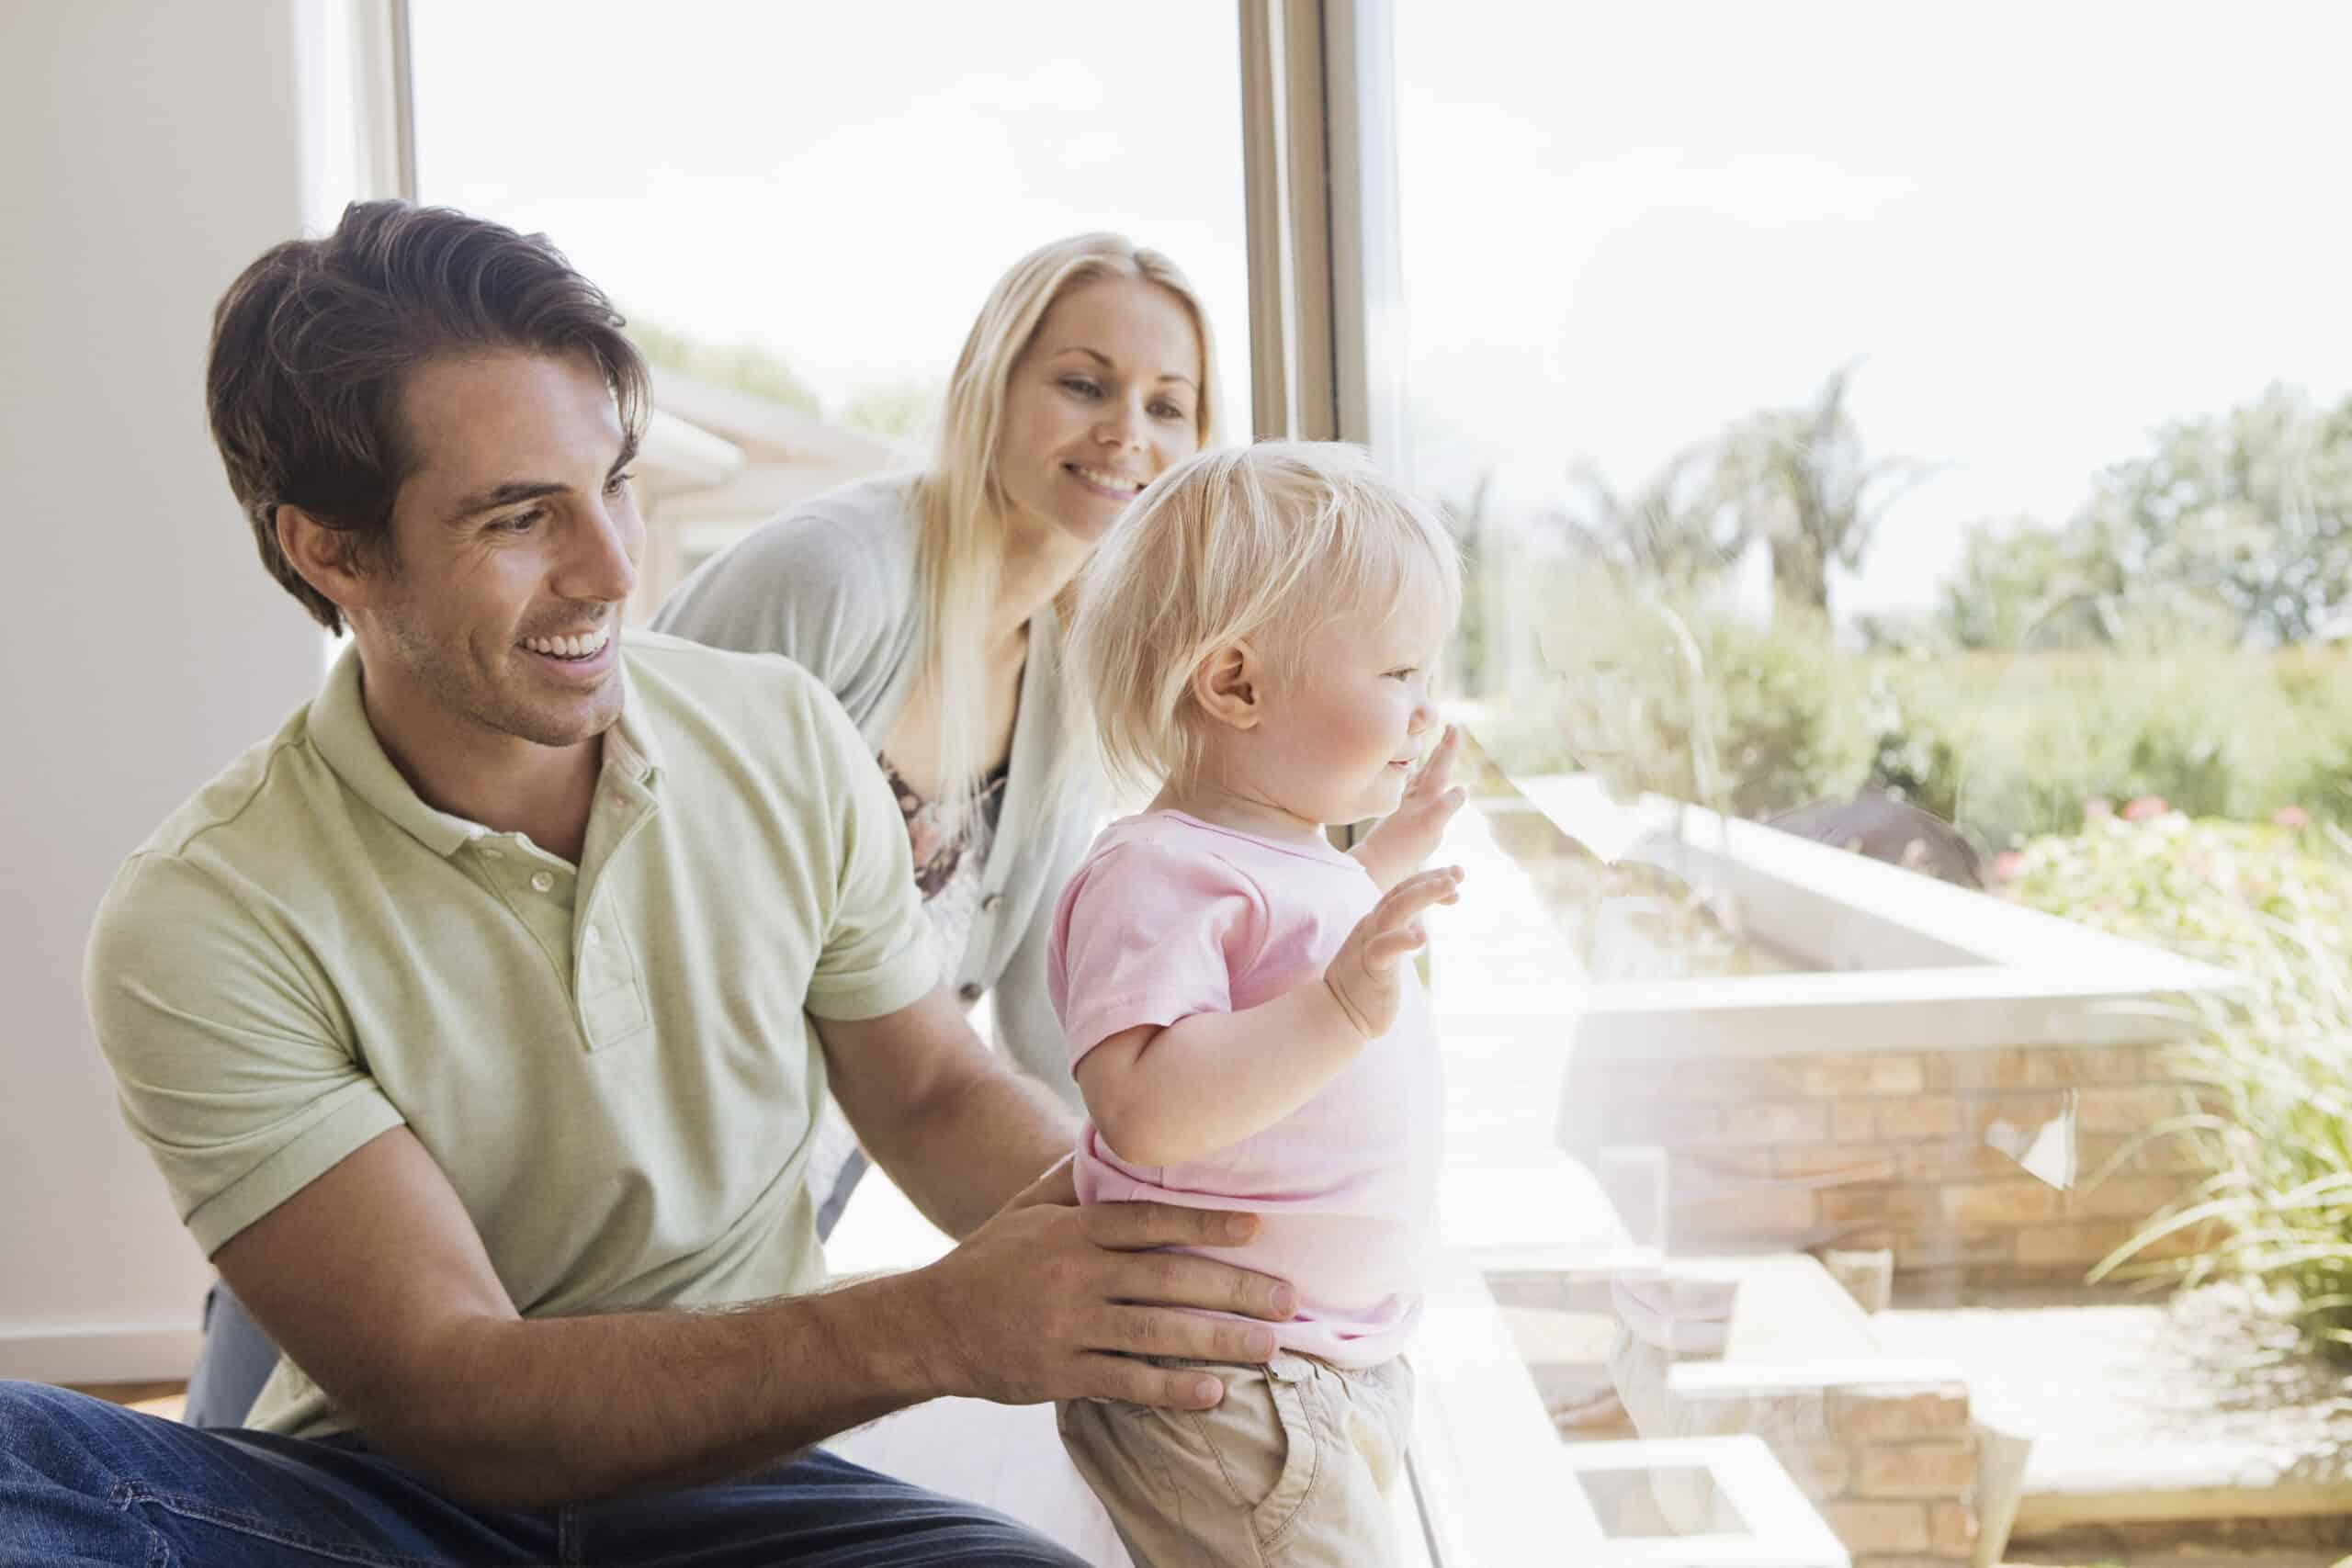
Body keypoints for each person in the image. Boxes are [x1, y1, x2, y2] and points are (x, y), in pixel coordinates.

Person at [0, 200, 1296, 1567]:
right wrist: (932, 1321)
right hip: (399, 1502)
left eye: (614, 483)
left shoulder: (785, 736)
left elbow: (927, 1087)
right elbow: (458, 1391)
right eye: (519, 517)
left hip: (747, 1488)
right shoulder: (199, 916)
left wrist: (1172, 1245)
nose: (616, 569)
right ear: (330, 549)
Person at [651, 231, 1220, 1238]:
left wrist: (1173, 1201)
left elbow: (1052, 1024)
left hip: (801, 1189)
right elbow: (636, 860)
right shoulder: (832, 578)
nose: (1128, 432)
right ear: (991, 387)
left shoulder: (1066, 677)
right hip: (646, 1160)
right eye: (1085, 386)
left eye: (1167, 405)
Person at [1048, 442, 1469, 1567]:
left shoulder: (1283, 859)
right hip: (1231, 1387)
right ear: (1235, 684)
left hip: (1313, 1368)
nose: (1426, 710)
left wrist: (1381, 862)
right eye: (1397, 676)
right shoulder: (1156, 871)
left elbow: (1291, 971)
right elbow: (1142, 1103)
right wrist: (1342, 1004)